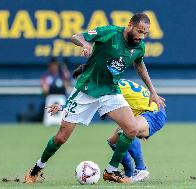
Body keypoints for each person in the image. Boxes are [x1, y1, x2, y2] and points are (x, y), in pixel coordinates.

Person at [24, 13, 165, 184]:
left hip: (110, 91)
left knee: (131, 129)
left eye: (145, 34)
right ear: (130, 25)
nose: (142, 37)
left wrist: (153, 91)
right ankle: (37, 168)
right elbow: (76, 36)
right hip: (87, 89)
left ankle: (111, 171)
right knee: (61, 137)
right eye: (140, 31)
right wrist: (85, 44)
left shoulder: (139, 47)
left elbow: (139, 65)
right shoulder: (110, 33)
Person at [72, 64, 167, 182]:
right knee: (113, 141)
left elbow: (88, 105)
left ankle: (141, 169)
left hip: (154, 112)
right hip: (142, 113)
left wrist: (140, 126)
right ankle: (129, 173)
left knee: (126, 131)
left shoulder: (107, 87)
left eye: (84, 80)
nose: (83, 85)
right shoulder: (107, 83)